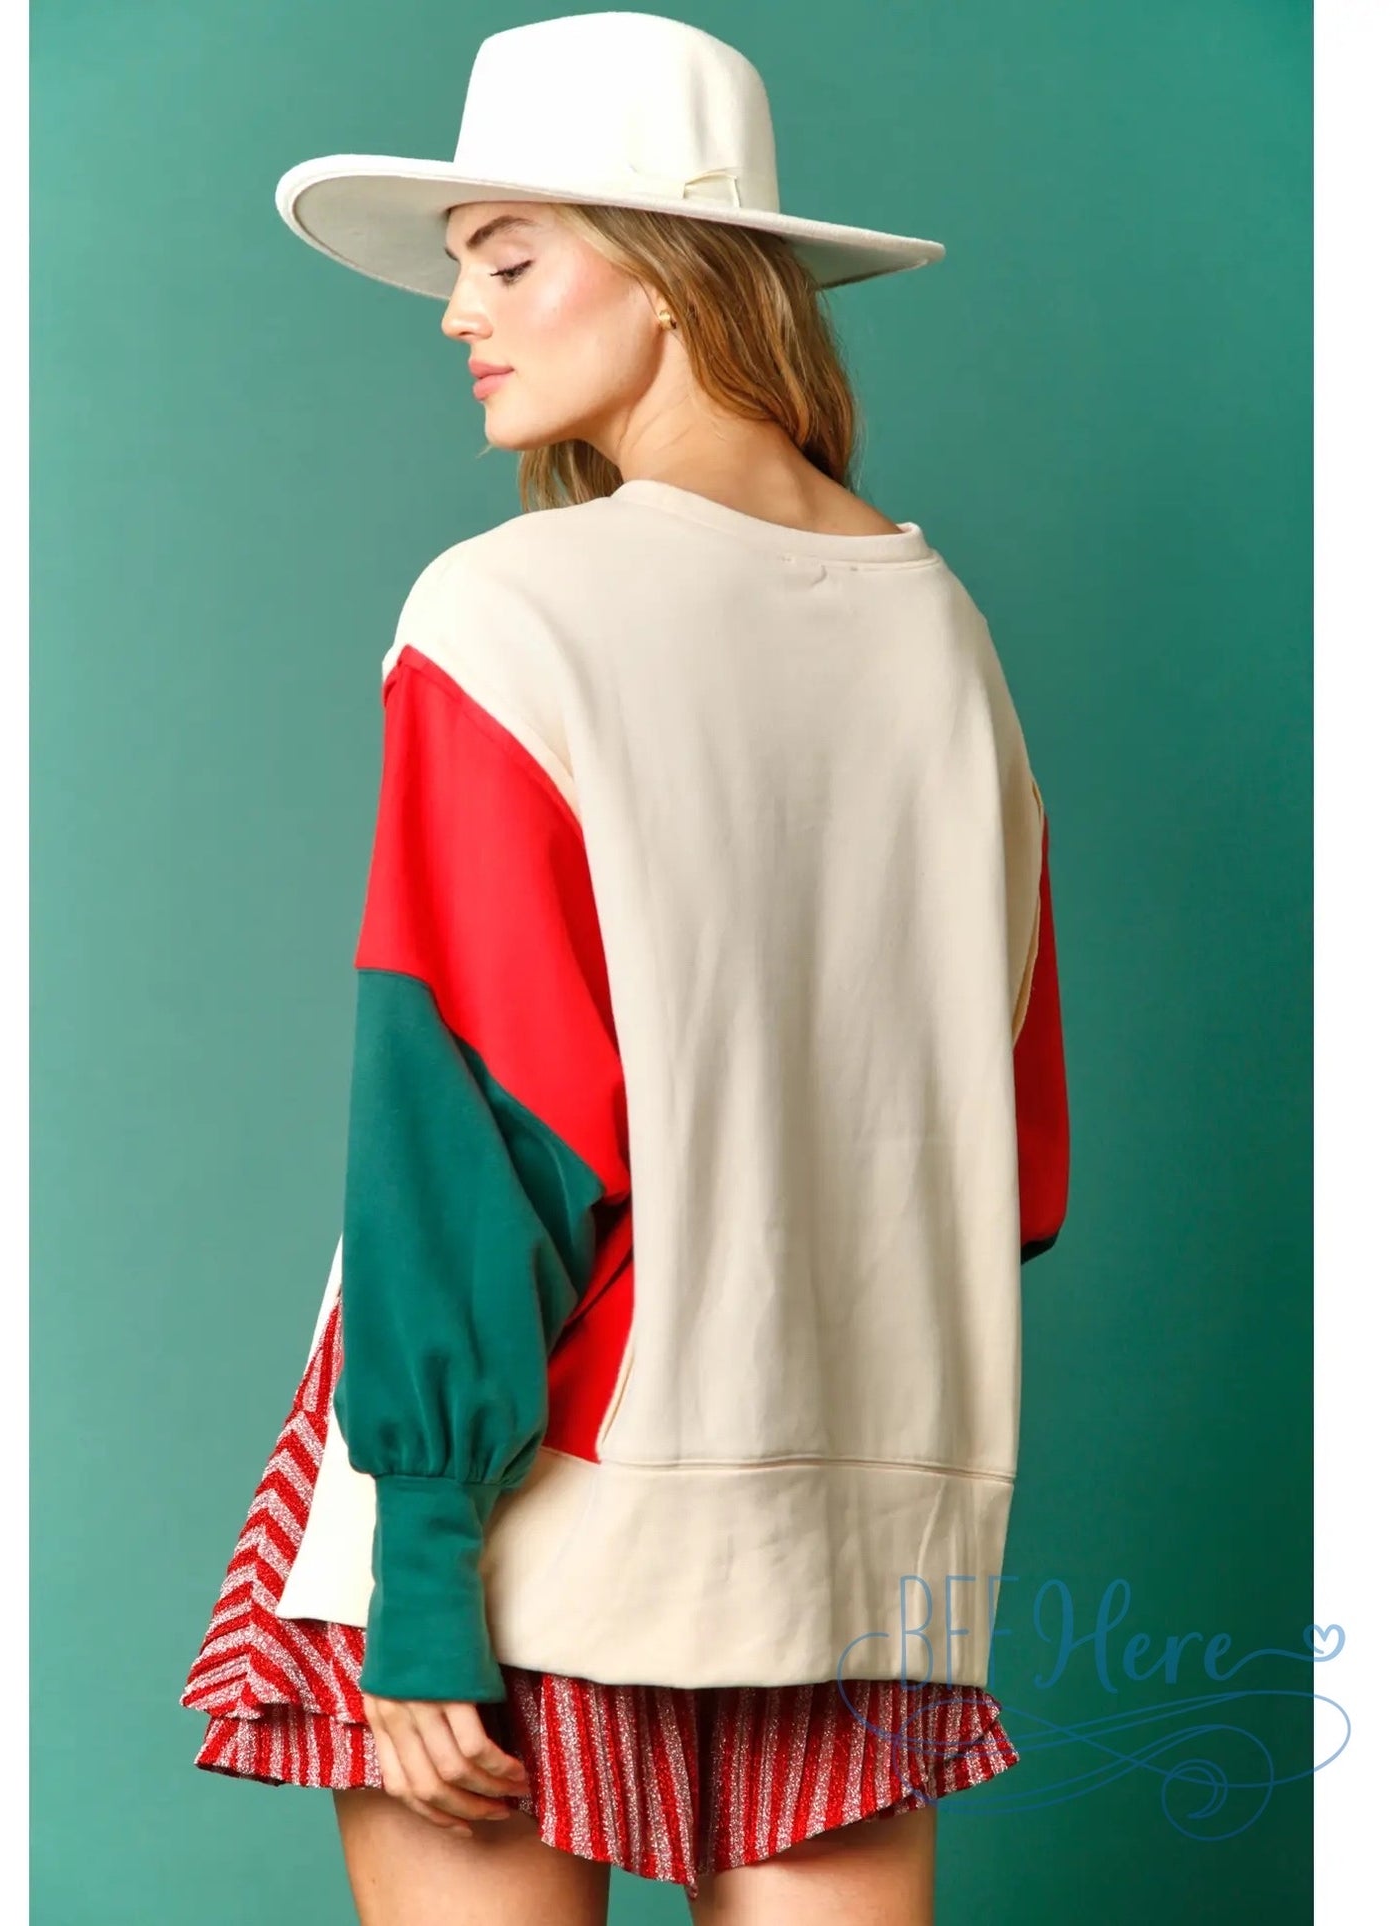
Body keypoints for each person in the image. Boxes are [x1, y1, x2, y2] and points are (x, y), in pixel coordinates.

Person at [180, 14, 1070, 1923]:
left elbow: (473, 1104)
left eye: (509, 260)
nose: (457, 314)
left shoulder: (510, 609)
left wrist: (424, 1557)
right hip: (859, 1538)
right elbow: (1008, 1157)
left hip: (534, 1484)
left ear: (671, 273)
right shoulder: (944, 640)